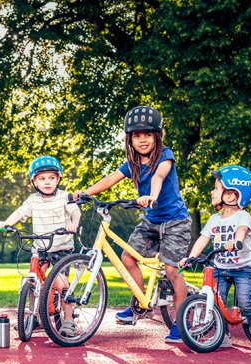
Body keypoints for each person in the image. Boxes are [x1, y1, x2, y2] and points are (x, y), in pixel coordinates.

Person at [73, 105, 191, 343]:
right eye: (137, 136)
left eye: (147, 134)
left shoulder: (165, 155)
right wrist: (85, 192)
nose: (142, 140)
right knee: (128, 258)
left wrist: (152, 197)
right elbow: (111, 179)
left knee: (171, 271)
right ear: (130, 139)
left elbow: (158, 176)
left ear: (157, 136)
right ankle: (140, 305)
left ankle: (181, 323)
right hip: (150, 221)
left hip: (175, 222)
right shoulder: (132, 162)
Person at [179, 166, 251, 349]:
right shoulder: (214, 219)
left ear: (231, 196)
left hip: (243, 269)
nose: (212, 191)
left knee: (245, 301)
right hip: (220, 267)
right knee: (217, 301)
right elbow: (202, 240)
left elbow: (241, 231)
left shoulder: (243, 216)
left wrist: (236, 241)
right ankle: (224, 334)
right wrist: (190, 257)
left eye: (216, 188)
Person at [0, 155, 80, 336]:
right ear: (34, 181)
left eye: (51, 178)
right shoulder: (33, 200)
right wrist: (7, 223)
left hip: (61, 248)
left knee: (61, 284)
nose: (47, 182)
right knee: (34, 283)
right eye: (42, 179)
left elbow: (76, 211)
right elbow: (20, 212)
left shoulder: (64, 197)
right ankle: (35, 316)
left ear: (58, 179)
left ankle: (68, 319)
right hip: (40, 248)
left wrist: (73, 224)